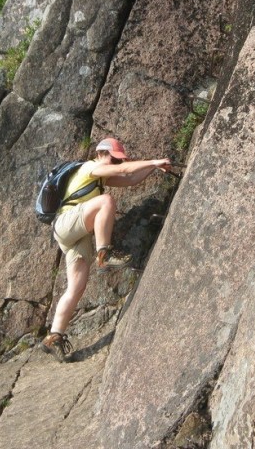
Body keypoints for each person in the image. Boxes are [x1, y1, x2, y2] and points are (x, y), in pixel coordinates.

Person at [39, 137, 171, 362]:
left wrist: (153, 167)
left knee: (76, 287)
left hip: (73, 234)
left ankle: (54, 337)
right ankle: (104, 253)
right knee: (106, 201)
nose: (116, 164)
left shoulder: (99, 177)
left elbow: (129, 178)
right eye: (114, 159)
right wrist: (153, 159)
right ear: (102, 154)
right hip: (66, 223)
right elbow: (127, 169)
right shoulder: (90, 167)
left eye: (117, 161)